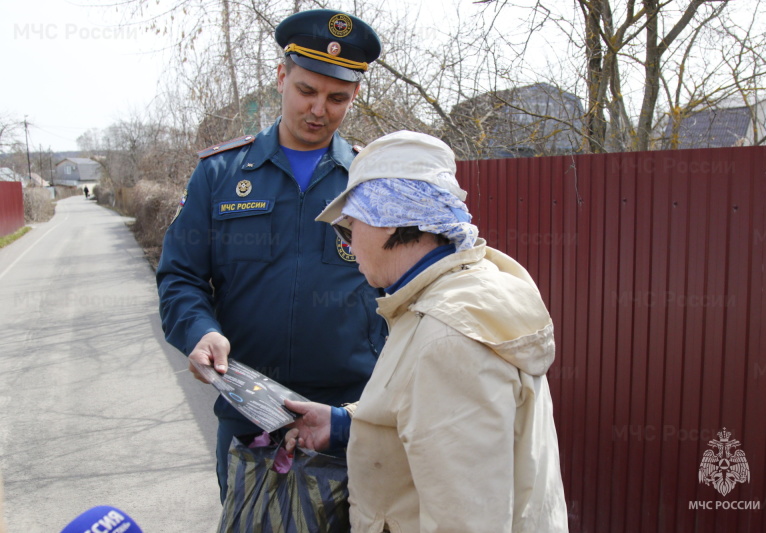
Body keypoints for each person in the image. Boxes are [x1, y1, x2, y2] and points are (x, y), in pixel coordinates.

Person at [285, 130, 569, 532]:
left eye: (349, 229)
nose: (349, 249)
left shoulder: (448, 337)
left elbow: (467, 521)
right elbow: (426, 418)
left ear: (389, 221)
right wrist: (343, 424)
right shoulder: (457, 296)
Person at [156, 9, 386, 503]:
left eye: (337, 98)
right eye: (307, 90)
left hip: (351, 423)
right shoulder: (219, 175)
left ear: (355, 97)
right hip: (248, 421)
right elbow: (180, 277)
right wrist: (200, 332)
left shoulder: (373, 183)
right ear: (281, 77)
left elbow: (407, 292)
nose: (319, 109)